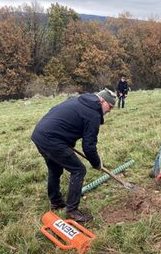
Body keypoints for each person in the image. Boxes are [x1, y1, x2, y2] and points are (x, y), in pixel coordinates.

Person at [31, 88, 117, 222]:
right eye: (110, 106)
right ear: (102, 101)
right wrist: (96, 163)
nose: (109, 111)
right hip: (51, 139)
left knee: (55, 169)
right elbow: (89, 146)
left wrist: (66, 139)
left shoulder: (77, 100)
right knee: (79, 170)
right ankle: (72, 210)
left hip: (40, 134)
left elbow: (60, 116)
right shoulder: (93, 114)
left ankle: (56, 202)